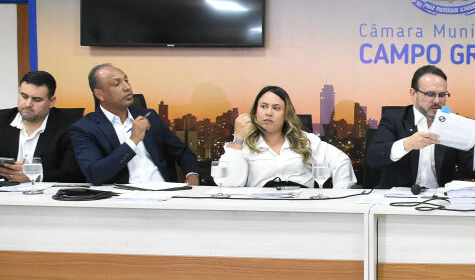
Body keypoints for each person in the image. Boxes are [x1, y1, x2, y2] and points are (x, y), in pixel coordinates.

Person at [366, 65, 475, 189]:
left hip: (439, 201)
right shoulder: (394, 119)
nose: (437, 101)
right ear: (413, 94)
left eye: (442, 95)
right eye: (430, 94)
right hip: (397, 200)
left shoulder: (454, 124)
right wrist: (407, 144)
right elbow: (373, 157)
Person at [70, 63, 199, 185]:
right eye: (117, 84)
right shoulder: (85, 128)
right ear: (100, 94)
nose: (127, 87)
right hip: (122, 197)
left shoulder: (149, 116)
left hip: (164, 191)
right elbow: (95, 174)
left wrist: (192, 175)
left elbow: (182, 151)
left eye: (126, 80)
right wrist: (133, 141)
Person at [218, 85, 356, 188]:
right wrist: (238, 139)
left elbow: (341, 161)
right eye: (263, 106)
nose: (268, 112)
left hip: (302, 209)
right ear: (255, 112)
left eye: (276, 108)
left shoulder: (305, 140)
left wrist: (338, 197)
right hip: (261, 210)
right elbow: (229, 185)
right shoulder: (242, 146)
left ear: (286, 115)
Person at [0, 70, 84, 183]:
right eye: (24, 96)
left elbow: (75, 174)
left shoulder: (71, 125)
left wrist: (36, 176)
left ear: (51, 101)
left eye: (37, 100)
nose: (28, 104)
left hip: (49, 193)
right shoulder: (2, 120)